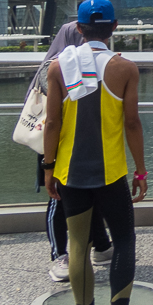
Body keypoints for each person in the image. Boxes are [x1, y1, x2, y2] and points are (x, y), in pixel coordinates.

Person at [42, 0, 153, 305]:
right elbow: (132, 123)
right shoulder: (125, 69)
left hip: (70, 173)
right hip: (111, 174)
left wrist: (48, 168)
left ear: (78, 28)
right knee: (123, 240)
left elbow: (52, 123)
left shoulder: (59, 66)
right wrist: (140, 168)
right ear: (115, 27)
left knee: (78, 245)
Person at [27, 21, 112, 282]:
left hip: (82, 141)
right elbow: (52, 119)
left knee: (89, 192)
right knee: (58, 198)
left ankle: (101, 246)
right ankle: (59, 254)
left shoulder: (100, 63)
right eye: (79, 34)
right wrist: (48, 164)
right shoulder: (57, 65)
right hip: (57, 142)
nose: (84, 39)